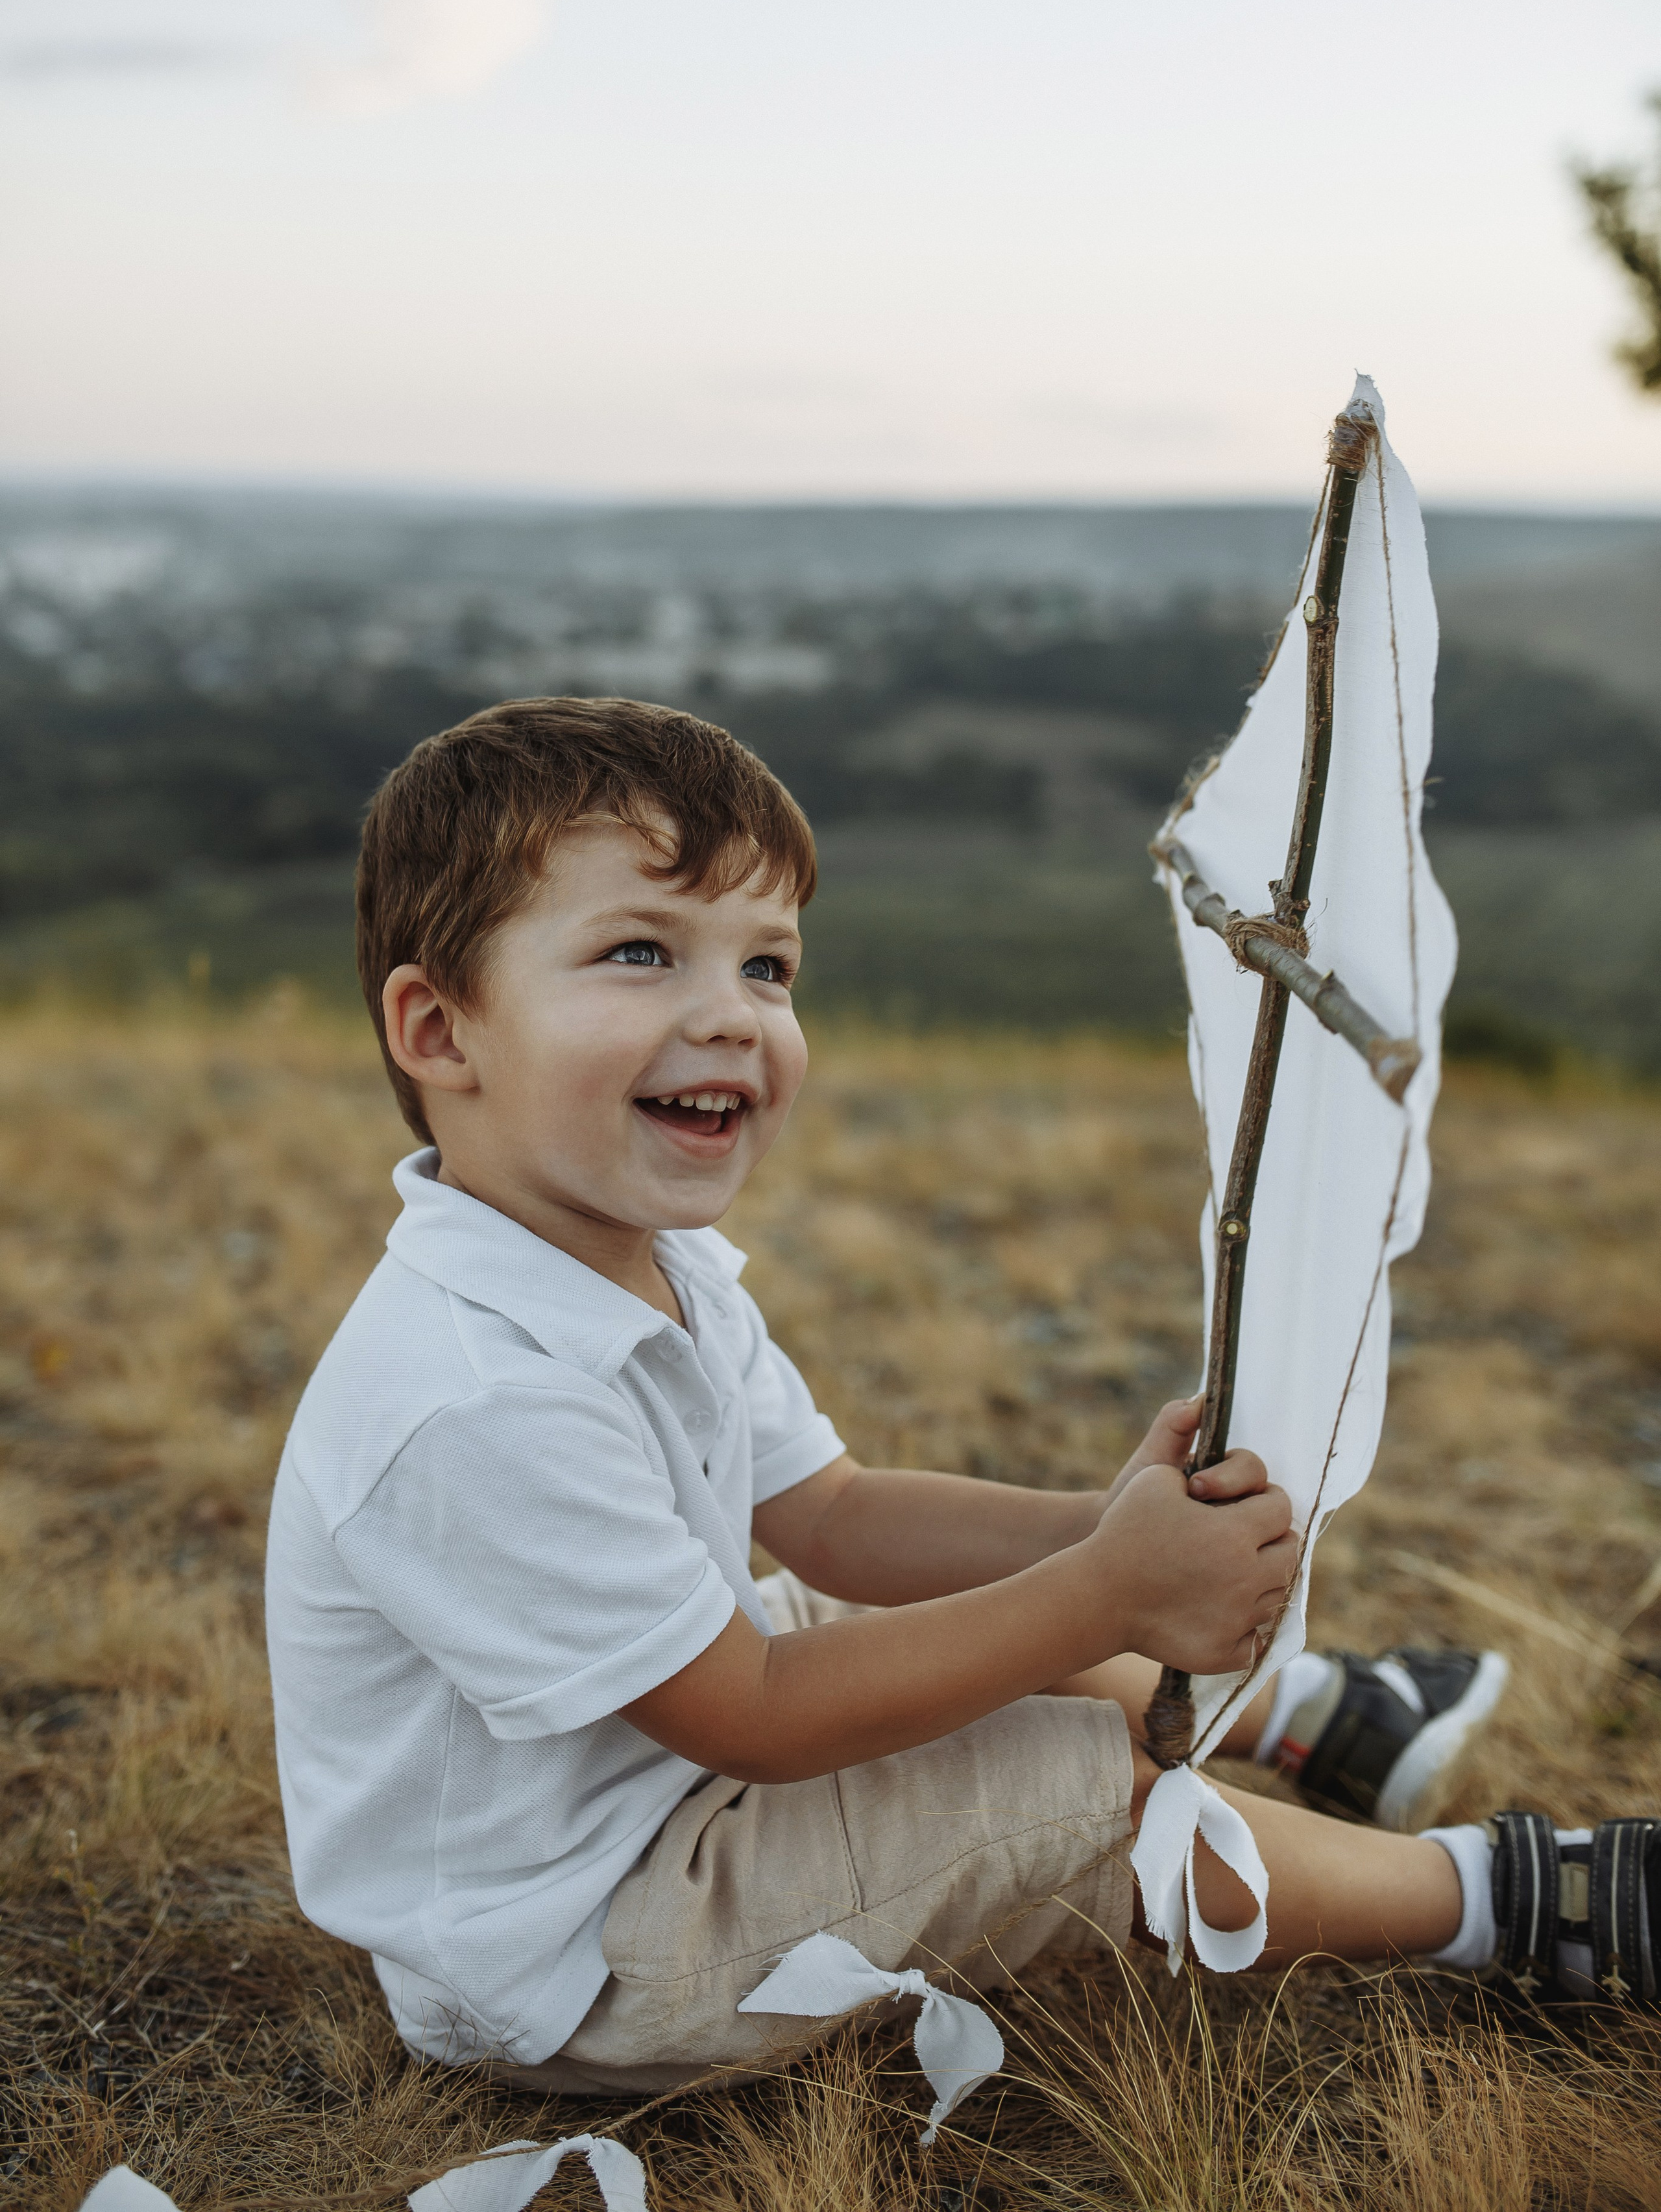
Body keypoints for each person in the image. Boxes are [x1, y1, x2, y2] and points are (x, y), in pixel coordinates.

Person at [263, 698, 1658, 2093]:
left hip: (654, 1797)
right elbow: (751, 1710)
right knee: (1071, 1786)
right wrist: (1104, 1591)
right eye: (638, 952)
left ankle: (1311, 1714)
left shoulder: (653, 1269)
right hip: (586, 1954)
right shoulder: (466, 1398)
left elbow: (834, 1516)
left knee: (912, 1613)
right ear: (440, 1031)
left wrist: (1098, 1528)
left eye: (766, 966)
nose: (728, 1016)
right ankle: (1502, 1901)